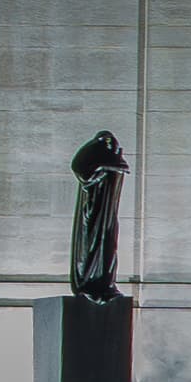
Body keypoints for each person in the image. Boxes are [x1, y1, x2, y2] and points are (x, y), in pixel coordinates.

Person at [67, 129, 129, 301]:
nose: (112, 148)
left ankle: (104, 283)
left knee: (108, 243)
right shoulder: (91, 160)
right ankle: (92, 282)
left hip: (106, 215)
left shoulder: (109, 160)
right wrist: (103, 168)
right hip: (94, 212)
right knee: (93, 243)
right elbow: (80, 169)